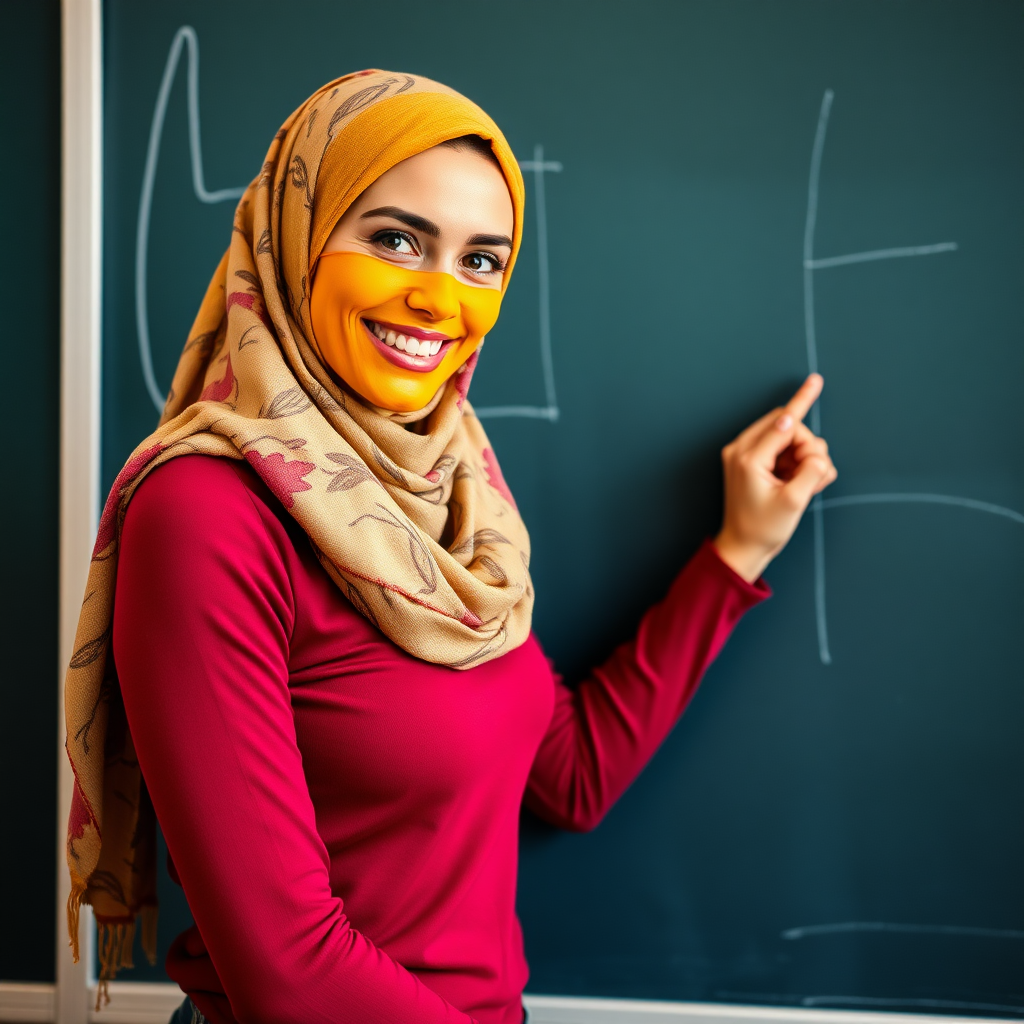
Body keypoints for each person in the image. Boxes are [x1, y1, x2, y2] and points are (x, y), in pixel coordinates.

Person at [62, 70, 837, 1024]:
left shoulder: (455, 482)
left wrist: (735, 555)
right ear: (295, 241)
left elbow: (570, 775)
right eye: (395, 239)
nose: (439, 298)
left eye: (482, 260)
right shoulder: (206, 513)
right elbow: (287, 970)